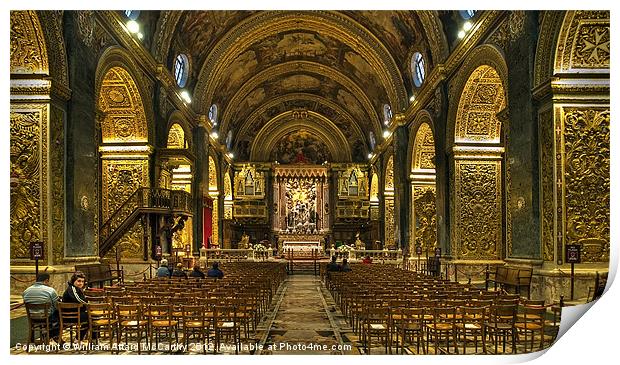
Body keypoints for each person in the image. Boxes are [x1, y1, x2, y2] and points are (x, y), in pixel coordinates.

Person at [23, 272, 60, 340]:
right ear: (46, 280)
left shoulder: (26, 291)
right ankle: (53, 336)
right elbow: (57, 306)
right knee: (60, 315)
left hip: (33, 318)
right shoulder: (50, 291)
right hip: (48, 318)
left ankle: (49, 334)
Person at [61, 271, 90, 340]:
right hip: (70, 316)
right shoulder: (72, 289)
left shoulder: (77, 289)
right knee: (91, 317)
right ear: (73, 281)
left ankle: (93, 339)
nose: (81, 283)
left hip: (76, 314)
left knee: (92, 316)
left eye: (82, 281)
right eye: (79, 281)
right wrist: (88, 305)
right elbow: (78, 299)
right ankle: (78, 339)